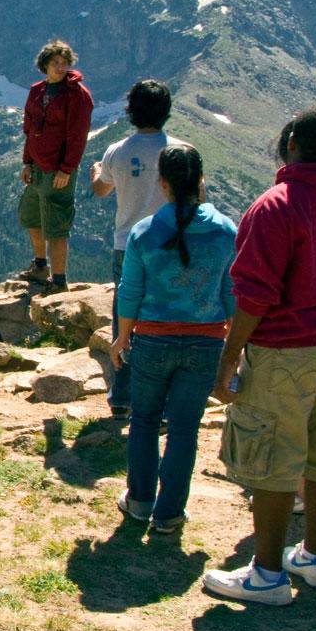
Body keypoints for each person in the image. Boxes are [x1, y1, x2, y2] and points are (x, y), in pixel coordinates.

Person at [202, 108, 316, 606]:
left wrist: (230, 356)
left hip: (286, 349)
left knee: (273, 458)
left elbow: (254, 294)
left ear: (292, 142)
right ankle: (314, 557)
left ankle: (267, 574)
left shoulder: (276, 206)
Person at [111, 145, 237, 534]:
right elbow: (232, 290)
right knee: (185, 427)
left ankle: (140, 500)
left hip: (151, 341)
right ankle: (169, 514)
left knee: (145, 421)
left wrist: (122, 337)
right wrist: (234, 340)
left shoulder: (145, 232)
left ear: (162, 183)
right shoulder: (226, 230)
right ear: (201, 182)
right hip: (206, 342)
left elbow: (130, 290)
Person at [91, 79, 189, 416]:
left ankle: (123, 396)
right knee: (167, 315)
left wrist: (96, 173)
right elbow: (198, 199)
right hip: (172, 243)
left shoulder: (117, 151)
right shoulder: (182, 151)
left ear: (131, 111)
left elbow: (101, 190)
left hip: (127, 243)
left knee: (126, 317)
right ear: (167, 111)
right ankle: (161, 401)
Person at [19, 39, 94, 294]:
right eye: (55, 63)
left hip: (58, 170)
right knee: (32, 216)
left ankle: (59, 281)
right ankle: (40, 266)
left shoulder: (76, 94)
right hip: (38, 167)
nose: (61, 68)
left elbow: (77, 135)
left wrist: (67, 169)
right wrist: (27, 162)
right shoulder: (37, 91)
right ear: (45, 66)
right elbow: (30, 130)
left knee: (57, 224)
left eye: (65, 63)